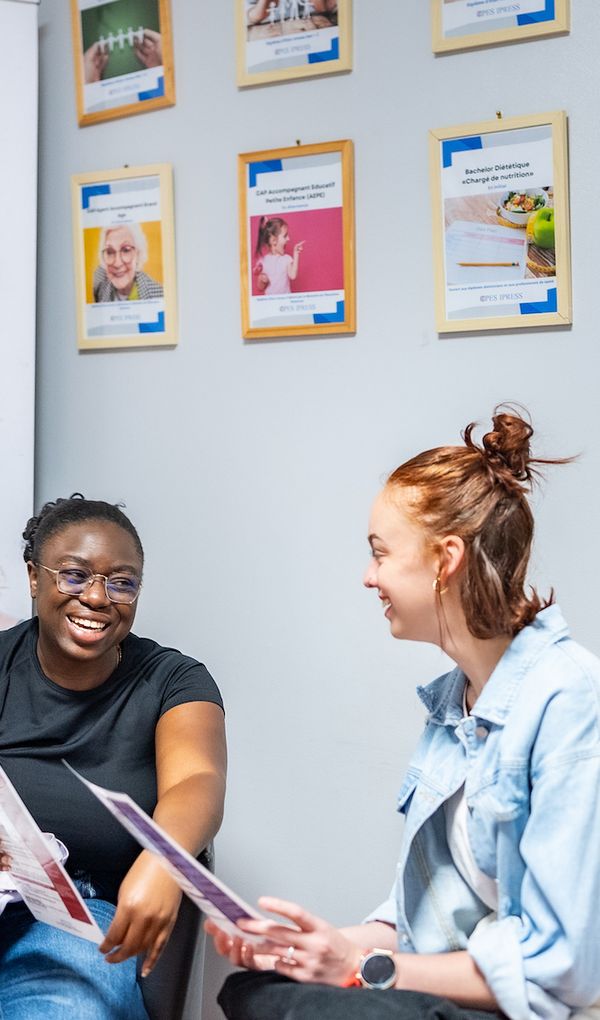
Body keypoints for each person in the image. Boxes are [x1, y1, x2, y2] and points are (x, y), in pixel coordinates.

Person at [207, 407, 600, 1020]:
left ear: (445, 560)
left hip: (526, 1009)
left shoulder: (569, 701)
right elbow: (420, 925)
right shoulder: (453, 701)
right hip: (449, 988)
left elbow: (560, 972)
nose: (369, 577)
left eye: (380, 553)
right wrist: (307, 952)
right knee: (256, 991)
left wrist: (360, 970)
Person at [0, 494, 226, 1019]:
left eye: (122, 582)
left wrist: (163, 861)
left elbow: (197, 778)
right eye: (74, 575)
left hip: (78, 916)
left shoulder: (173, 679)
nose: (98, 597)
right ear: (34, 578)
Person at [93, 223, 163, 303]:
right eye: (110, 252)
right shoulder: (100, 288)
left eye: (126, 250)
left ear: (138, 254)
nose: (117, 263)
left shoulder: (158, 295)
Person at [253, 217, 305, 296]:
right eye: (285, 236)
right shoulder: (263, 261)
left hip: (285, 301)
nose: (288, 239)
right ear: (274, 241)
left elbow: (293, 276)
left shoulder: (286, 259)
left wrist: (296, 253)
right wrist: (261, 280)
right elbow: (260, 288)